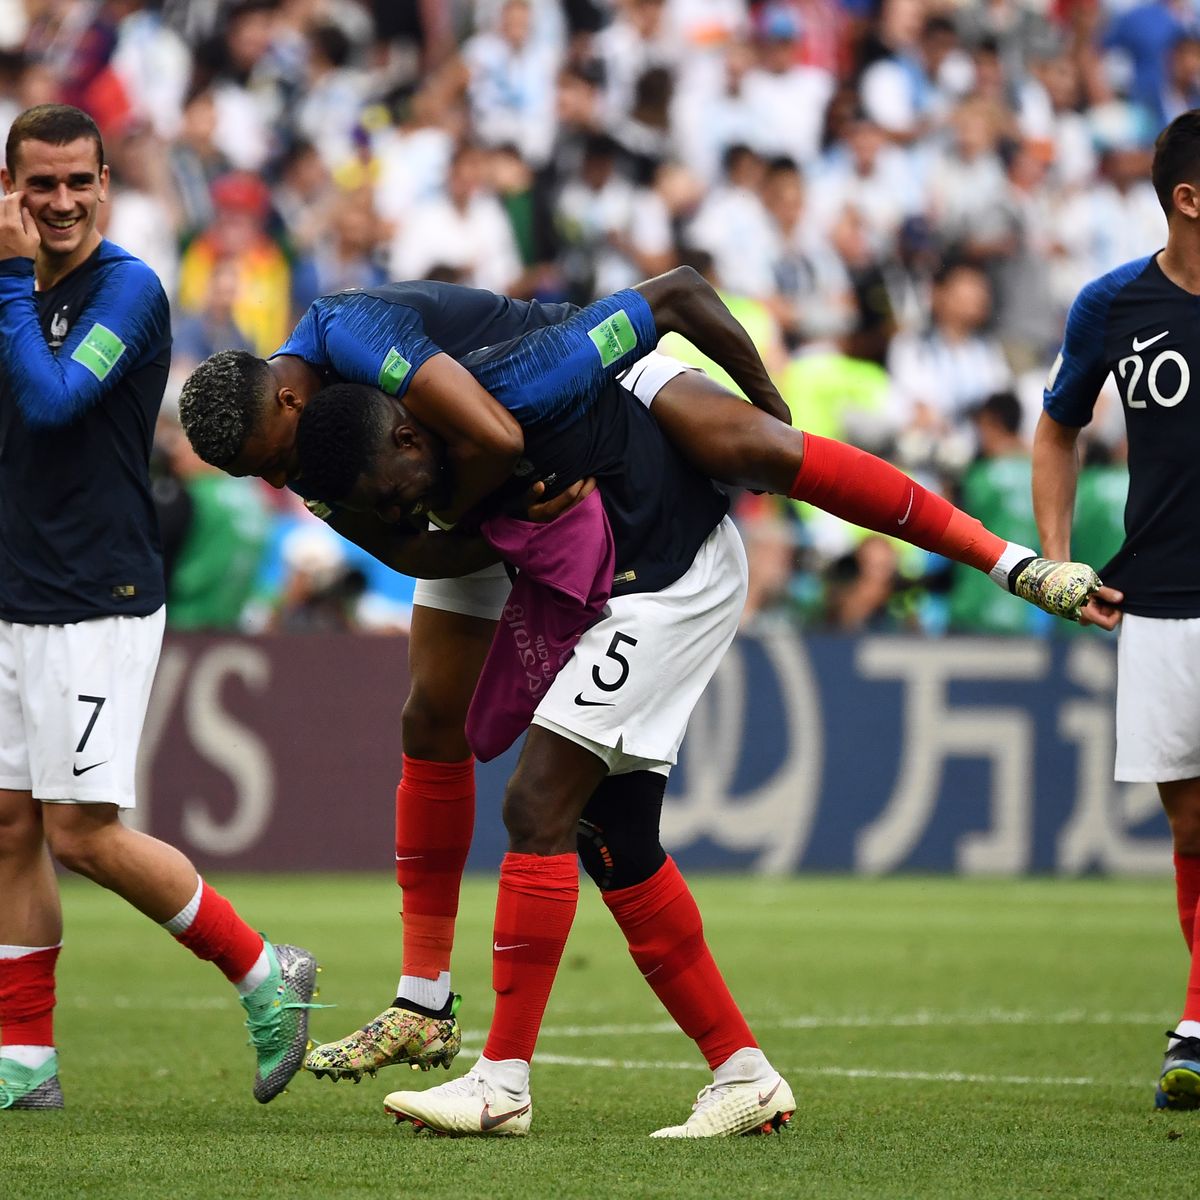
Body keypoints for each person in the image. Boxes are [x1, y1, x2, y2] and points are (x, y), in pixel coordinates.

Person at [177, 272, 1110, 1106]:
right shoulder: (328, 459)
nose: (278, 479)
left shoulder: (375, 342)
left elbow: (657, 309)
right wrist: (489, 523)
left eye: (273, 456)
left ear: (294, 395)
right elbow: (410, 540)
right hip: (493, 510)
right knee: (498, 761)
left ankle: (1005, 559)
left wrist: (774, 408)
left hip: (594, 435)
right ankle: (460, 1008)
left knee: (745, 447)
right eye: (260, 474)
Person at [295, 365, 794, 1138]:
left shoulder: (501, 377)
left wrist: (997, 560)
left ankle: (501, 1084)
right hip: (639, 582)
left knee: (537, 805)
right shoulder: (444, 409)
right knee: (615, 838)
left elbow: (676, 294)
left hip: (666, 582)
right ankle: (743, 1072)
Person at [0, 105, 318, 1113]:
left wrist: (10, 281)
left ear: (104, 182)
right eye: (37, 184)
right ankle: (24, 1057)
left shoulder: (129, 289)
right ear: (8, 188)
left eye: (76, 182)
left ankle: (266, 973)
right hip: (13, 591)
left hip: (100, 596)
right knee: (8, 824)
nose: (58, 202)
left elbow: (53, 401)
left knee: (83, 834)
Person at [1032, 107, 1200, 1111]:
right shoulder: (1113, 306)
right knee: (1189, 823)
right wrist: (1055, 561)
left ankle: (1195, 1022)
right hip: (1162, 594)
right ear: (1190, 199)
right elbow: (1059, 430)